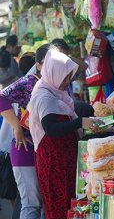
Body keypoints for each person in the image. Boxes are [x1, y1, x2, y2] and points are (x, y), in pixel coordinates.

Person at [28, 49, 102, 219]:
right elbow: (51, 129)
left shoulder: (54, 92)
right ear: (54, 72)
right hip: (54, 165)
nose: (67, 82)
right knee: (59, 209)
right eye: (65, 76)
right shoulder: (45, 97)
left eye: (69, 77)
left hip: (62, 162)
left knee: (68, 207)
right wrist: (79, 122)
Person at [0, 44, 52, 219]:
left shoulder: (58, 82)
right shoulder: (29, 82)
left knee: (46, 202)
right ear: (38, 64)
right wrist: (16, 127)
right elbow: (1, 99)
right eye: (47, 62)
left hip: (47, 148)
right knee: (31, 204)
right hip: (25, 147)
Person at [0, 49, 19, 218]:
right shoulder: (17, 82)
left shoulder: (8, 87)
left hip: (8, 144)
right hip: (10, 143)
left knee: (11, 186)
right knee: (13, 187)